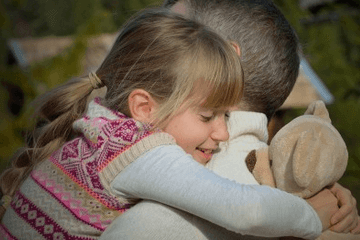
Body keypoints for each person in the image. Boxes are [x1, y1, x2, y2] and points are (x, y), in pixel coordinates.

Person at [0, 8, 337, 240]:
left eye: (227, 116)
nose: (222, 133)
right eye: (208, 116)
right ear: (144, 107)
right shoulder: (139, 152)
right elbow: (245, 210)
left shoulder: (100, 122)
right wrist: (311, 217)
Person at [100, 0, 360, 239]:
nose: (143, 47)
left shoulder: (156, 220)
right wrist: (314, 205)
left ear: (224, 56)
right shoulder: (301, 194)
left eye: (173, 29)